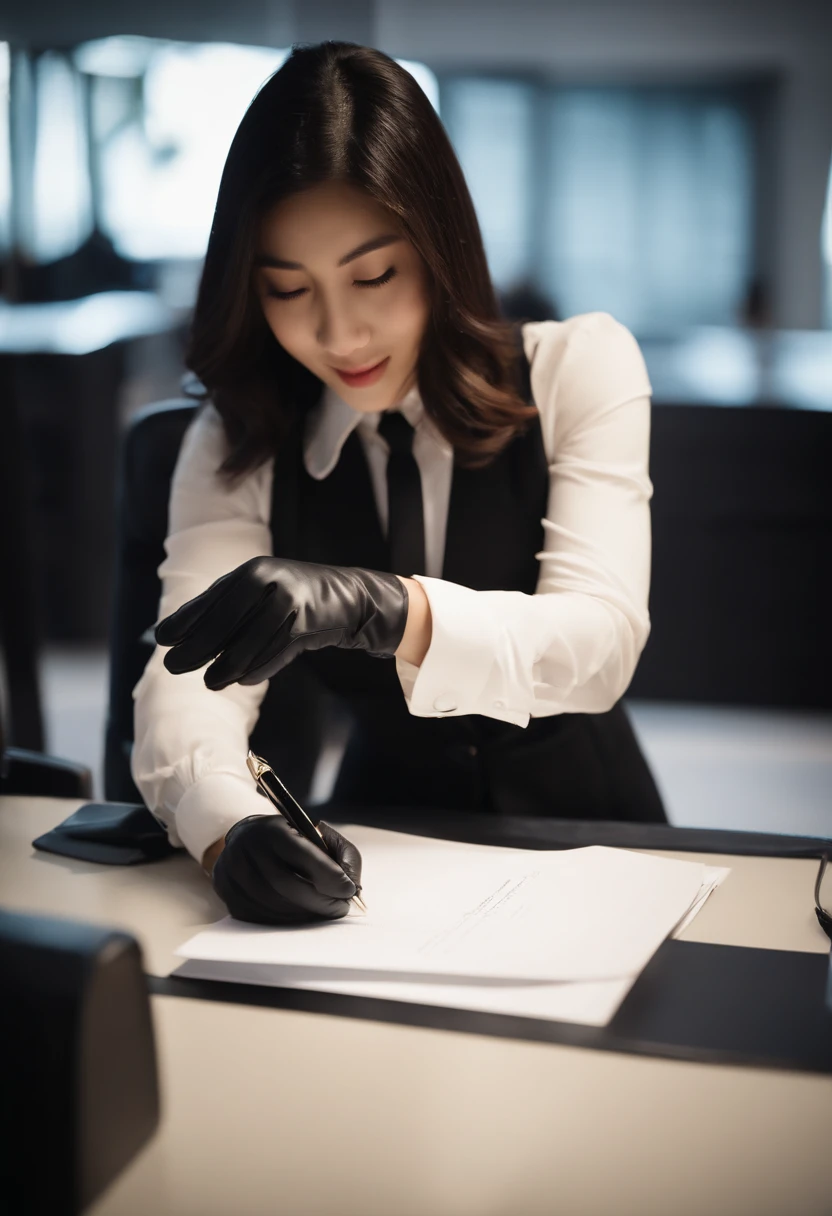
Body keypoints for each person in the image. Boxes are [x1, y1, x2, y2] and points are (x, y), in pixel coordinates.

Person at [132, 40, 666, 927]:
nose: (340, 334)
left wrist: (384, 608)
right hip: (387, 849)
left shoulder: (582, 365)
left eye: (373, 275)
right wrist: (227, 828)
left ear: (440, 245)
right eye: (287, 290)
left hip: (595, 836)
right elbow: (185, 682)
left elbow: (600, 646)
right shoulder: (239, 438)